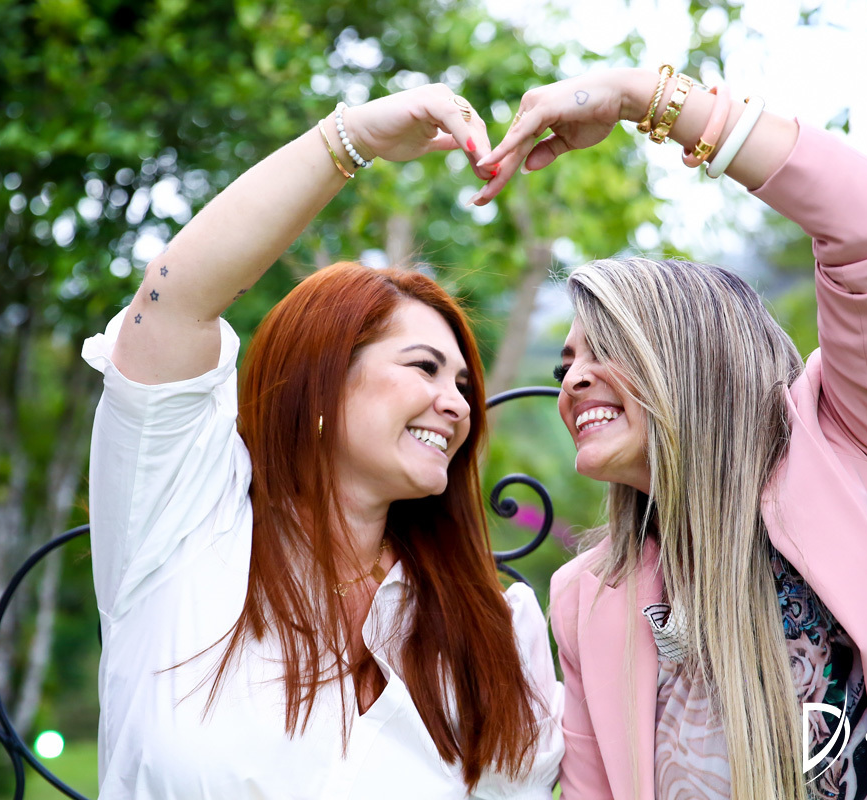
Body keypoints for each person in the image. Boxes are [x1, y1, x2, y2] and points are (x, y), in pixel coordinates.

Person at [472, 66, 867, 799]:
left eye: (606, 349)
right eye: (565, 364)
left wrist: (642, 98)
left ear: (695, 358)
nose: (573, 380)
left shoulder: (863, 449)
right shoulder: (587, 598)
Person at [81, 84, 563, 799]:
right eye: (424, 368)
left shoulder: (497, 629)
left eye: (463, 384)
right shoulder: (184, 524)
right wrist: (352, 138)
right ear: (323, 384)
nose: (456, 404)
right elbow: (174, 301)